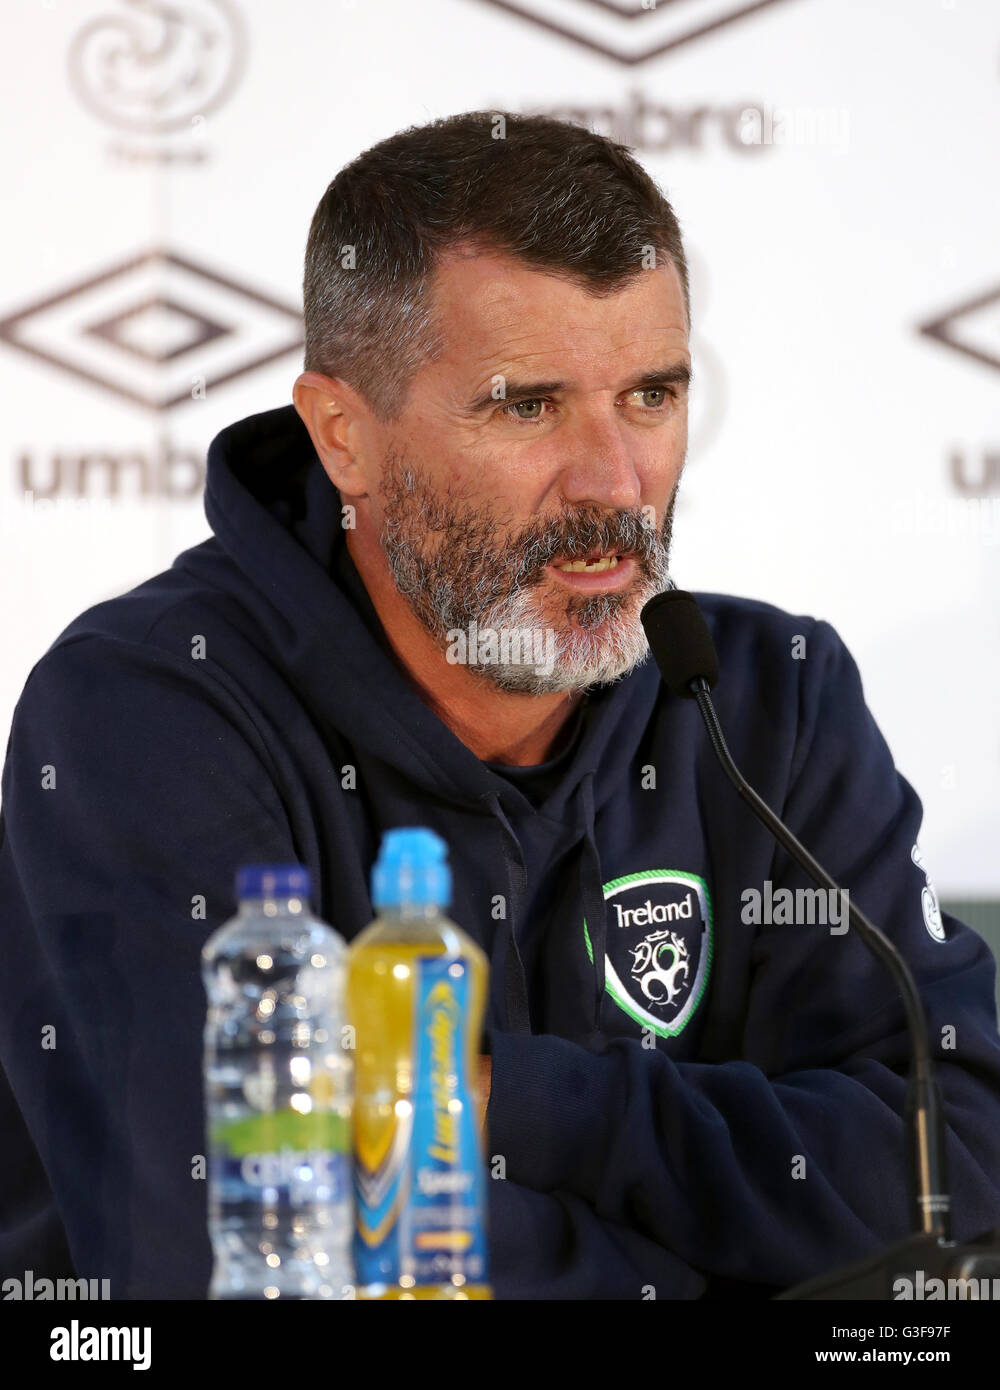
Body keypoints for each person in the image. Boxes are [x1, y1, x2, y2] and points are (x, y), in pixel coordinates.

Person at [1, 110, 998, 1301]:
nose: (615, 484)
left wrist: (511, 1100)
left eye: (652, 395)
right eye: (526, 406)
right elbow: (236, 1263)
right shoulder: (146, 713)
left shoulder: (766, 697)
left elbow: (965, 1173)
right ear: (342, 436)